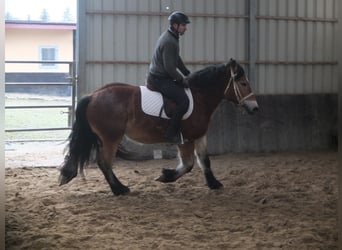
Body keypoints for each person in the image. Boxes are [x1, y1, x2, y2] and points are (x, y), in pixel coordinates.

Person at [147, 11, 191, 144]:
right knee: (184, 101)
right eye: (183, 25)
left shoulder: (172, 37)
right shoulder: (169, 41)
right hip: (159, 79)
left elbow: (176, 59)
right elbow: (170, 68)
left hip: (161, 76)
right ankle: (171, 133)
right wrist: (181, 79)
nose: (185, 28)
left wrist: (187, 73)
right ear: (175, 25)